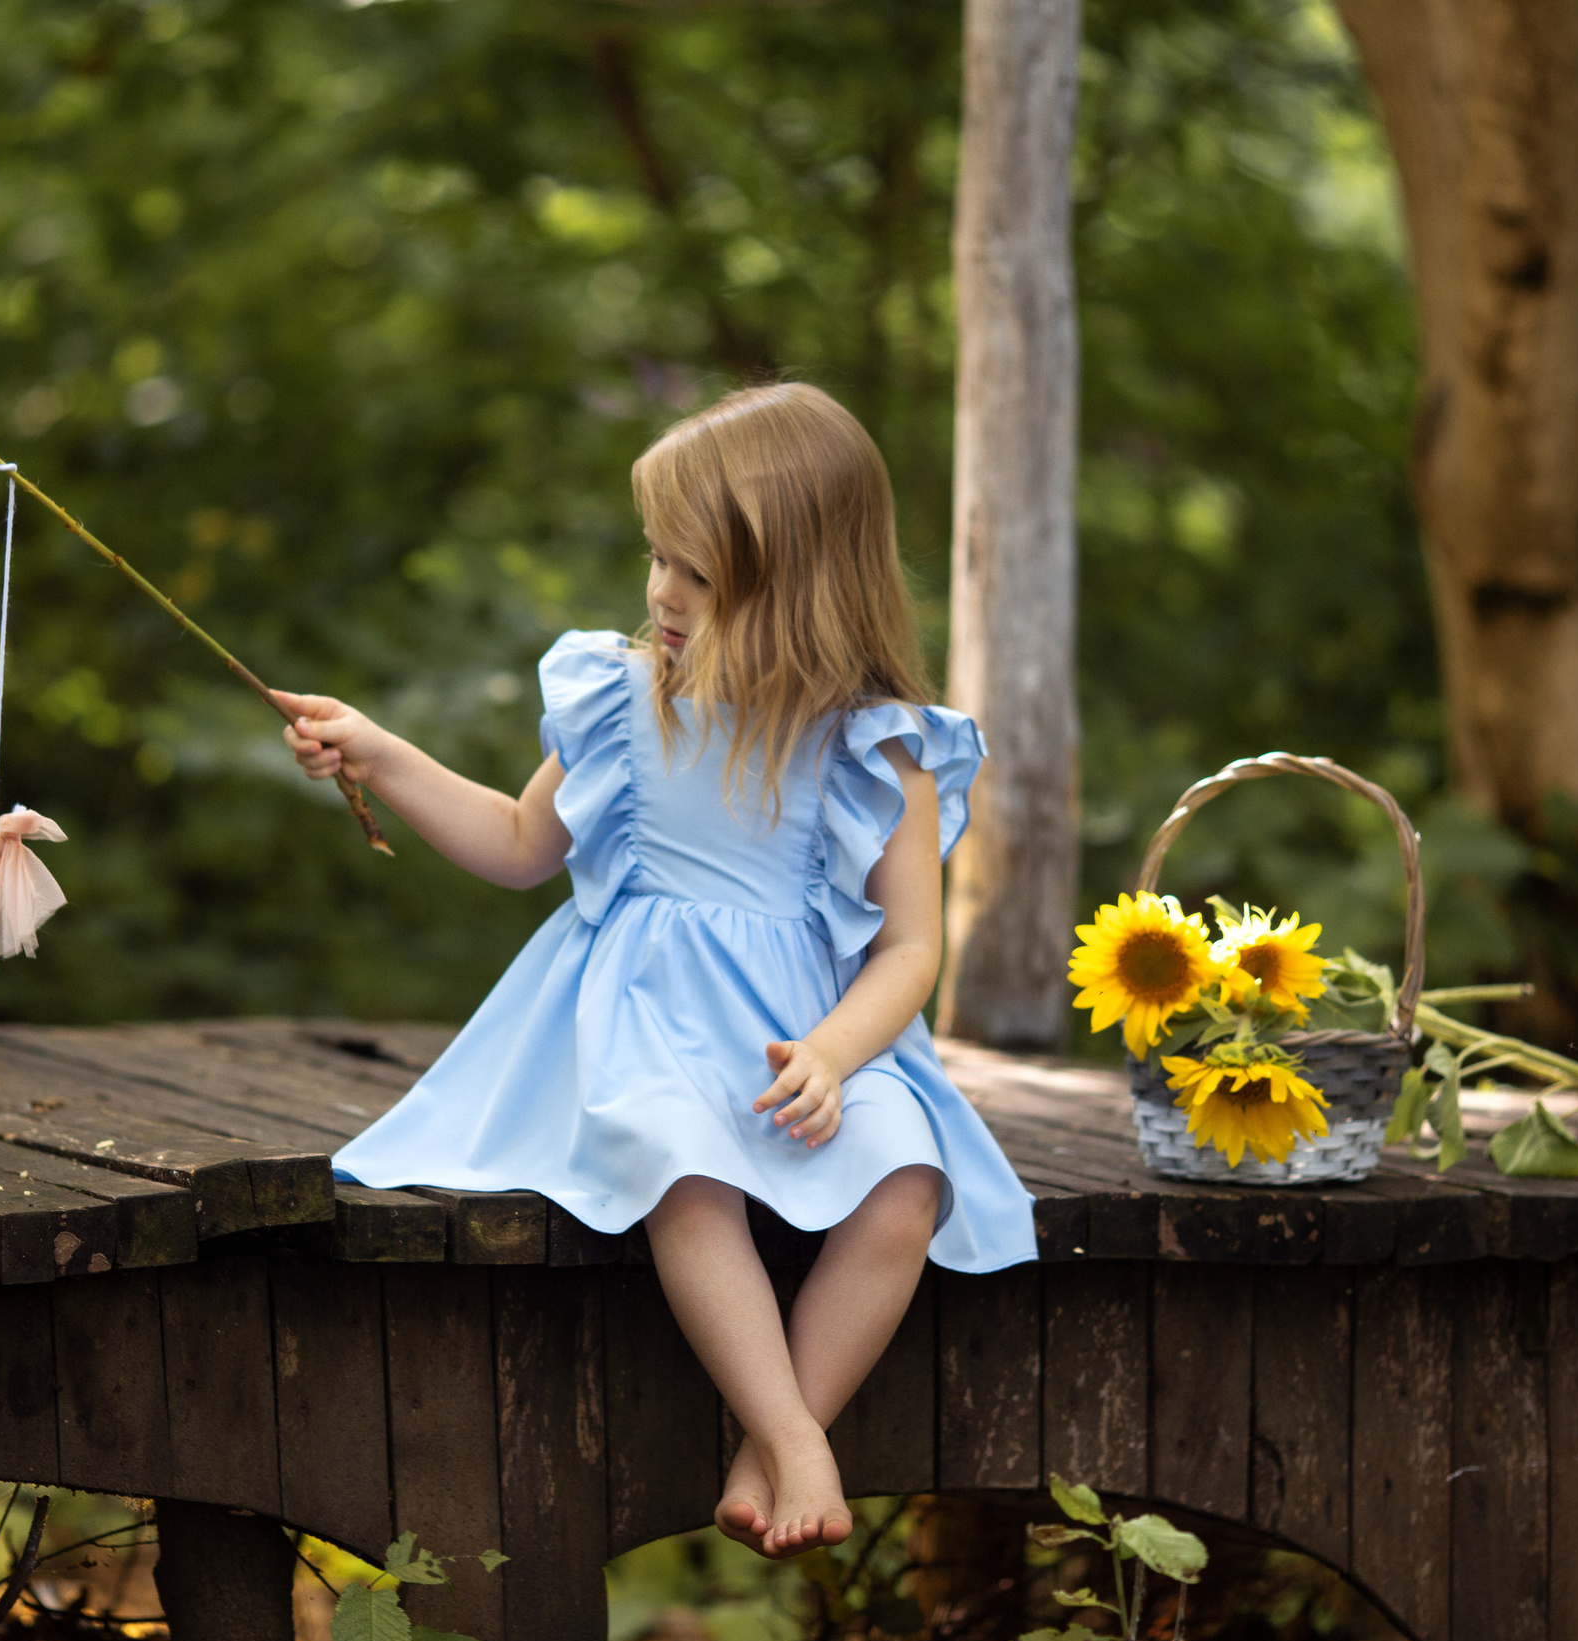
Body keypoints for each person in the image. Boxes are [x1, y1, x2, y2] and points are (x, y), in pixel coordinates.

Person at [274, 381, 1036, 1560]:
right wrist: (383, 752)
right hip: (648, 1028)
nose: (659, 594)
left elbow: (909, 950)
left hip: (813, 1042)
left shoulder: (877, 744)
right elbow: (520, 848)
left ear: (796, 584)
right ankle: (797, 1439)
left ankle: (770, 1442)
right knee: (683, 1168)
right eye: (656, 559)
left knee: (907, 1185)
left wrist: (836, 1053)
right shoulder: (626, 700)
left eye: (694, 573)